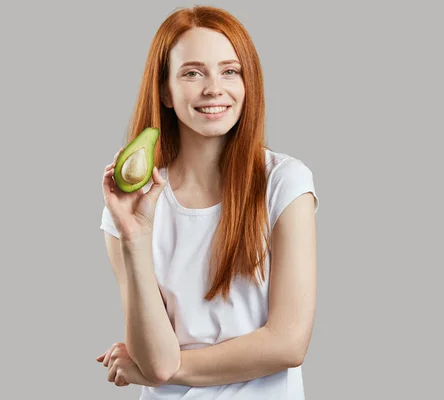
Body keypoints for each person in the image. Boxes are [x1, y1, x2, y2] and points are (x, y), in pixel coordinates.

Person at [96, 5, 319, 399]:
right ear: (165, 89)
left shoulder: (285, 183)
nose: (214, 88)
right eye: (192, 72)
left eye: (230, 71)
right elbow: (157, 358)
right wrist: (134, 237)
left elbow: (287, 343)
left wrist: (163, 370)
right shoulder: (130, 208)